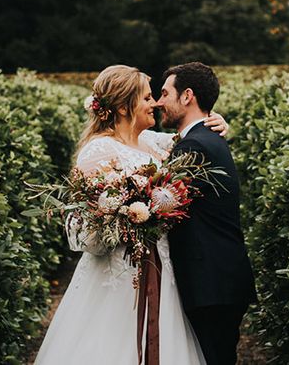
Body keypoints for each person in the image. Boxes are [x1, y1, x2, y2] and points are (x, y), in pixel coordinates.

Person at [33, 64, 228, 365]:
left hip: (163, 267)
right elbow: (83, 228)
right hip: (119, 273)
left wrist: (215, 121)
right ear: (124, 107)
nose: (156, 104)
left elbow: (193, 136)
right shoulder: (97, 151)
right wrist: (124, 219)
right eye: (148, 98)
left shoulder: (153, 142)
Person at [157, 62, 257, 365]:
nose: (159, 102)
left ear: (187, 96)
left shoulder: (194, 146)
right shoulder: (205, 138)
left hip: (209, 281)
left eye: (164, 93)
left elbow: (163, 205)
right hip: (218, 278)